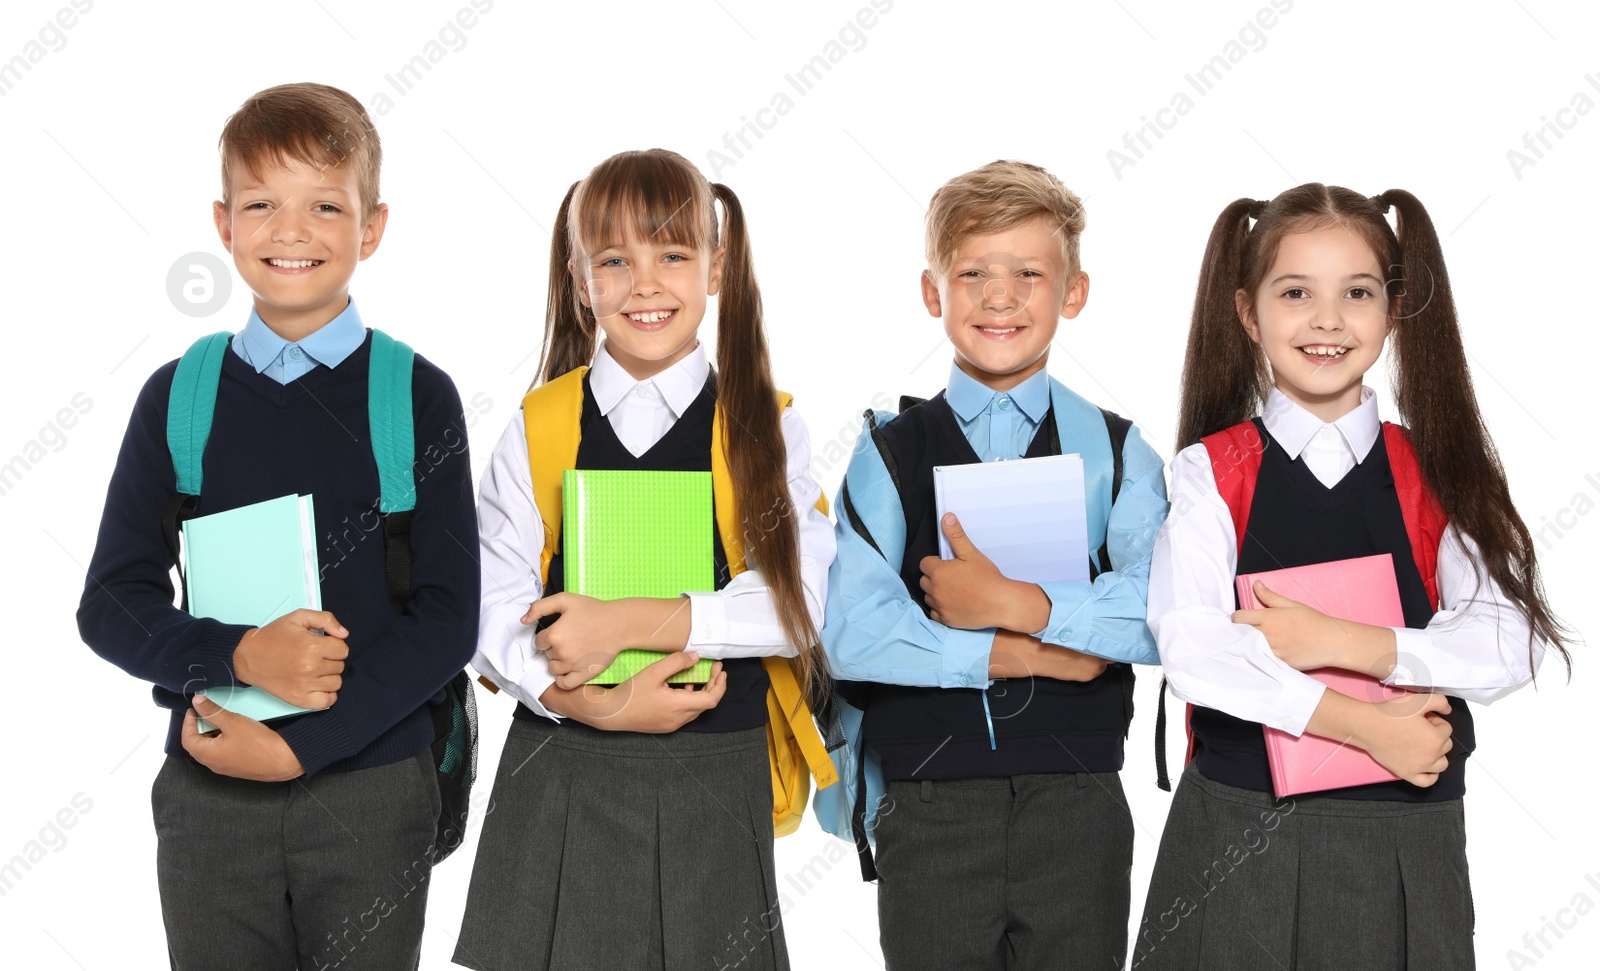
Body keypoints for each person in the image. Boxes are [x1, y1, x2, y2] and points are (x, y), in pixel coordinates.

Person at [76, 82, 478, 970]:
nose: (290, 230)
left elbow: (449, 619)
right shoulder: (180, 395)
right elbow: (111, 601)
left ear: (371, 229)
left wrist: (309, 751)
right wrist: (235, 657)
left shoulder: (415, 395)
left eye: (325, 205)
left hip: (373, 790)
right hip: (211, 794)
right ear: (223, 225)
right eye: (261, 203)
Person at [1134, 183, 1571, 970]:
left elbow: (1509, 641)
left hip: (1404, 840)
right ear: (1246, 312)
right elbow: (1194, 647)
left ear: (1394, 309)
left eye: (1358, 292)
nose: (1327, 319)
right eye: (1295, 292)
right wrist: (1365, 724)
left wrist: (1340, 641)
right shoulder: (1211, 471)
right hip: (1238, 831)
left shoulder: (1436, 470)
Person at [457, 148, 834, 971]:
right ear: (581, 277)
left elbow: (796, 600)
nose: (646, 283)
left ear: (717, 269)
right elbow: (487, 596)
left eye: (673, 255)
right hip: (560, 765)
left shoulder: (765, 427)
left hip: (713, 770)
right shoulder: (539, 424)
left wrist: (629, 623)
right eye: (615, 260)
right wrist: (573, 694)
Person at [820, 160, 1169, 969]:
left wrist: (1017, 601)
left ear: (1073, 291)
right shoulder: (886, 454)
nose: (999, 295)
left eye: (1029, 272)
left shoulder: (1118, 453)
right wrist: (1018, 652)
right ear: (932, 291)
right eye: (972, 272)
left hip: (1078, 800)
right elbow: (853, 632)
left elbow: (1160, 613)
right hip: (929, 802)